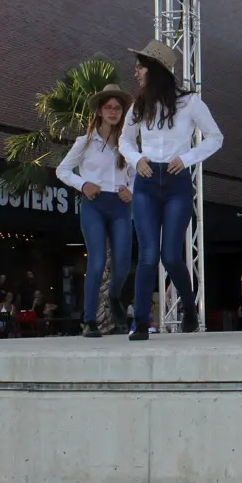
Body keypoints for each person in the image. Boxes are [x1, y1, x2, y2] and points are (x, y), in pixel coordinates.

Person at [119, 40, 224, 341]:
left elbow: (216, 137)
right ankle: (140, 322)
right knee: (148, 254)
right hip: (147, 181)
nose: (135, 71)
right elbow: (125, 140)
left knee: (171, 256)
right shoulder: (138, 105)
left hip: (177, 181)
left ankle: (189, 308)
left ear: (156, 70)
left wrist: (188, 158)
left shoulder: (190, 102)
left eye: (140, 67)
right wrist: (137, 159)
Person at [57, 83, 135, 338]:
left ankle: (113, 296)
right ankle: (89, 319)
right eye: (108, 107)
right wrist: (83, 184)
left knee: (123, 262)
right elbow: (62, 170)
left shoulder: (128, 144)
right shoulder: (85, 142)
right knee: (98, 260)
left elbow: (137, 173)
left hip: (120, 206)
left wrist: (130, 189)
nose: (113, 111)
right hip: (95, 204)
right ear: (100, 111)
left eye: (117, 108)